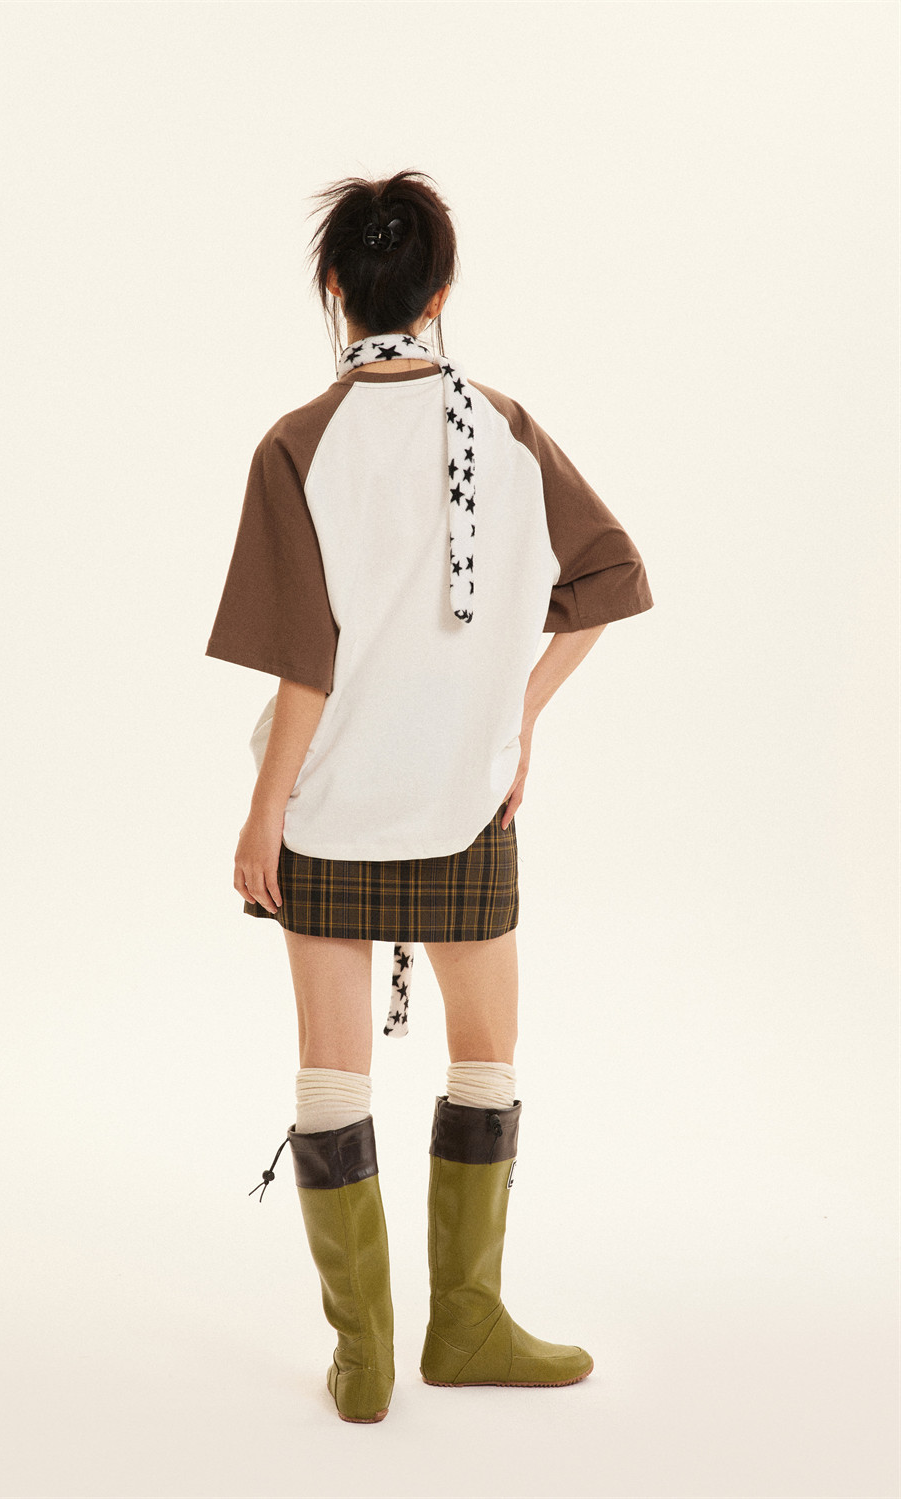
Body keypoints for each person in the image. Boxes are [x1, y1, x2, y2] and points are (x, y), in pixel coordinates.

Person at [204, 169, 654, 1423]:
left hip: (329, 807)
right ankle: (467, 1322)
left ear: (333, 288)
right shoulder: (505, 428)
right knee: (485, 1059)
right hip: (469, 799)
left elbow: (305, 663)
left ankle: (365, 1359)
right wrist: (518, 715)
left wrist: (263, 811)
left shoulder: (297, 444)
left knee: (331, 1075)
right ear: (442, 291)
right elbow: (611, 576)